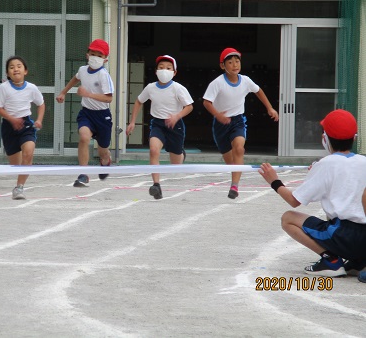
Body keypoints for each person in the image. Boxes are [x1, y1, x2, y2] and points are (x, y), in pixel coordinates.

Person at [259, 109, 366, 279]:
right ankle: (359, 261)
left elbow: (294, 200)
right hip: (364, 238)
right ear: (354, 138)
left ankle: (330, 260)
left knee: (288, 218)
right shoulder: (363, 161)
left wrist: (274, 181)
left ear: (326, 138)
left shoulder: (326, 164)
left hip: (342, 234)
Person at [203, 47, 279, 199]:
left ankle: (235, 186)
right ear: (222, 66)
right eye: (230, 62)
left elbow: (258, 91)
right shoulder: (217, 83)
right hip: (220, 124)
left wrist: (270, 108)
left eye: (237, 61)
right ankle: (234, 177)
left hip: (238, 121)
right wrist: (218, 115)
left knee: (238, 149)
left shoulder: (245, 80)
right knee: (230, 161)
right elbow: (206, 102)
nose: (234, 65)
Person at [126, 55, 193, 199]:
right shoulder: (150, 88)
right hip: (157, 124)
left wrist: (177, 116)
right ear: (156, 71)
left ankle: (180, 153)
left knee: (175, 164)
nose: (164, 70)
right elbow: (138, 101)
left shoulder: (178, 88)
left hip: (175, 125)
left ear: (174, 72)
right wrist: (132, 122)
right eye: (161, 68)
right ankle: (156, 185)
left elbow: (189, 106)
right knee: (153, 150)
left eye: (168, 68)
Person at [56, 39, 114, 187]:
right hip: (87, 113)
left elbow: (109, 98)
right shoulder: (83, 70)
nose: (95, 57)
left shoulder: (103, 75)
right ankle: (83, 174)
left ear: (105, 59)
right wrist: (63, 92)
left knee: (103, 150)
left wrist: (88, 94)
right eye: (92, 53)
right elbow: (75, 79)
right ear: (87, 54)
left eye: (99, 55)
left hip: (103, 116)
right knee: (83, 137)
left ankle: (106, 161)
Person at [0, 56, 45, 200]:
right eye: (11, 67)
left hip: (26, 125)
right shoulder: (3, 88)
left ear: (25, 71)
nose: (15, 69)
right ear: (8, 73)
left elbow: (41, 103)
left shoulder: (31, 88)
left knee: (28, 153)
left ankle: (19, 187)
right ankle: (22, 170)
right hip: (9, 127)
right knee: (16, 165)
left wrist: (39, 120)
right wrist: (12, 119)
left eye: (19, 66)